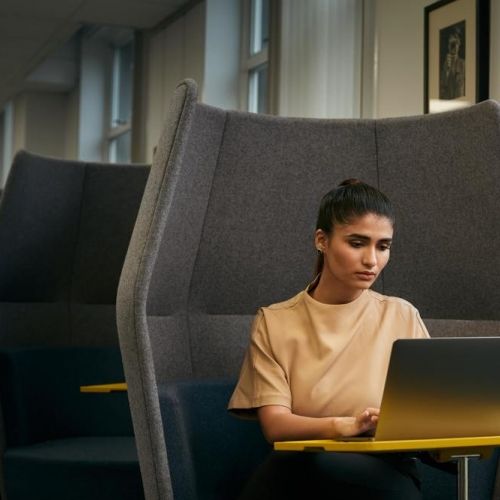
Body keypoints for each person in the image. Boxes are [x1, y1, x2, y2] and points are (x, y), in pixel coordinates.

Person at [228, 179, 430, 499]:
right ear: (322, 240)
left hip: (386, 466)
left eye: (383, 246)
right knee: (301, 463)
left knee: (299, 467)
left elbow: (431, 410)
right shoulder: (275, 321)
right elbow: (276, 426)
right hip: (304, 464)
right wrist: (343, 426)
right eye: (357, 243)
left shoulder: (401, 315)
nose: (371, 260)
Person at [440, 27, 465, 99]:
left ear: (459, 45)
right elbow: (442, 86)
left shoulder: (463, 63)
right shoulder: (444, 65)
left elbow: (460, 85)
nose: (453, 46)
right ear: (448, 46)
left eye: (456, 43)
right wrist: (447, 69)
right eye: (451, 44)